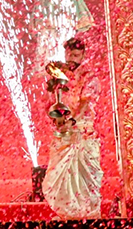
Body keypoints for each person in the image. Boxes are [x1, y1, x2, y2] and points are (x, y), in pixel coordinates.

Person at [42, 37, 103, 219]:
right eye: (69, 54)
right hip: (64, 129)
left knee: (85, 174)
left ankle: (86, 212)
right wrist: (57, 119)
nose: (72, 58)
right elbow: (51, 102)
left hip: (82, 129)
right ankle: (67, 212)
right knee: (60, 173)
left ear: (83, 55)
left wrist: (72, 121)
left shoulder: (89, 76)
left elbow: (85, 103)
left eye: (76, 55)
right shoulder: (59, 75)